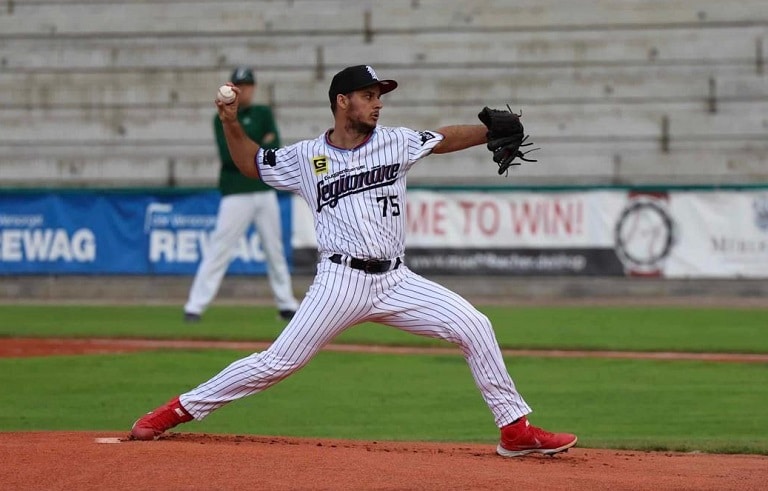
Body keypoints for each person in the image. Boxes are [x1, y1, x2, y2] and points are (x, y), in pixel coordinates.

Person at [131, 65, 577, 457]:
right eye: (368, 96)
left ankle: (515, 430)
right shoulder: (306, 157)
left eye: (379, 96)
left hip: (396, 280)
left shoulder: (396, 142)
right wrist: (230, 121)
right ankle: (177, 410)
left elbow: (441, 138)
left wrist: (487, 132)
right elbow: (251, 163)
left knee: (475, 326)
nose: (377, 104)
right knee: (277, 363)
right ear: (342, 102)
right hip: (340, 282)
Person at [183, 66, 300, 323]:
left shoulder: (263, 113)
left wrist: (247, 146)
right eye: (240, 85)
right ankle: (195, 305)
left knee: (274, 250)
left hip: (263, 188)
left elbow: (273, 151)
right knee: (220, 248)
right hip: (236, 191)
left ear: (254, 88)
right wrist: (256, 143)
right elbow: (231, 156)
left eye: (248, 85)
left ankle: (286, 304)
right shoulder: (222, 117)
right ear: (233, 88)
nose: (244, 90)